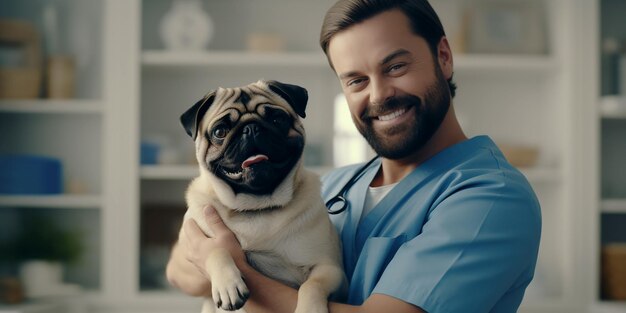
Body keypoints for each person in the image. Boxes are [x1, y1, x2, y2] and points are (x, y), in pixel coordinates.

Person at [166, 0, 542, 312]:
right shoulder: (332, 184)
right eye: (356, 80)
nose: (379, 95)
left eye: (396, 66)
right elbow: (181, 274)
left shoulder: (491, 198)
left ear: (444, 57)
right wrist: (212, 258)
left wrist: (240, 272)